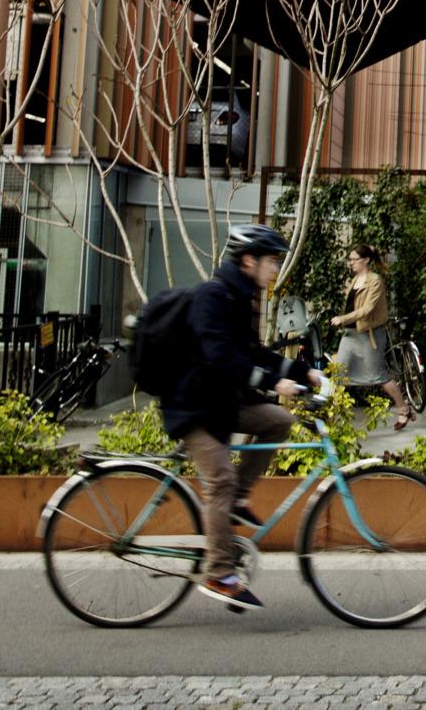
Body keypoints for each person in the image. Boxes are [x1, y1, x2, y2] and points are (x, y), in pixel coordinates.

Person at [163, 223, 323, 612]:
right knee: (219, 479)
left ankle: (237, 500)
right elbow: (221, 358)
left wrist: (303, 372)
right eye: (271, 261)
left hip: (220, 401)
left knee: (277, 421)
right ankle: (219, 573)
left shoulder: (241, 297)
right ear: (248, 260)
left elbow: (254, 352)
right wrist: (273, 383)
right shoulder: (213, 296)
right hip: (194, 405)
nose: (274, 269)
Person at [333, 242, 413, 432]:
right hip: (350, 336)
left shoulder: (375, 281)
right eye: (350, 259)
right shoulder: (354, 281)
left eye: (355, 259)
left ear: (366, 260)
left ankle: (404, 408)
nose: (351, 263)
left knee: (379, 376)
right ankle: (328, 418)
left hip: (369, 336)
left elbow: (367, 309)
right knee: (337, 374)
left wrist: (343, 319)